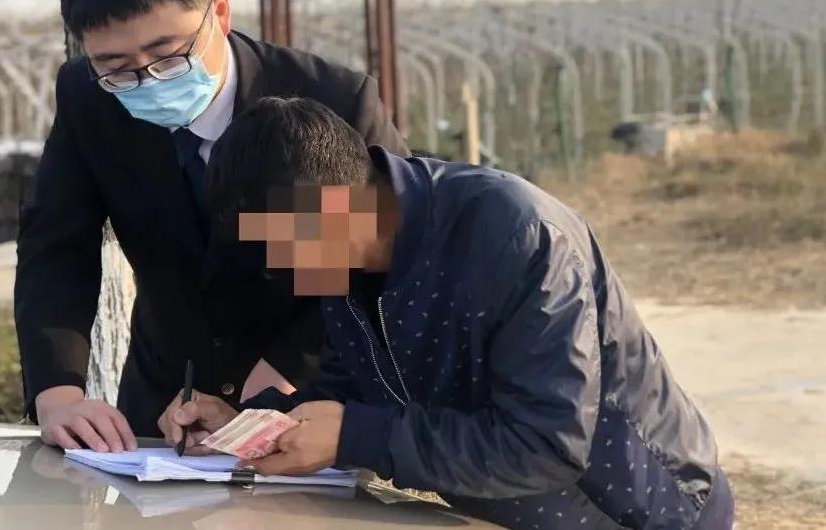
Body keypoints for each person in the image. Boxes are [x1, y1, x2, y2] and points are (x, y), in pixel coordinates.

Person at [167, 97, 734, 530]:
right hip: (510, 515)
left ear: (331, 206)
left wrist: (356, 438)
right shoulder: (344, 256)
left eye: (276, 245)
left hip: (641, 509)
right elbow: (355, 387)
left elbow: (546, 444)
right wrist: (250, 426)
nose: (273, 267)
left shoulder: (515, 236)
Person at [14, 0, 407, 451]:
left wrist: (290, 367)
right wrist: (57, 393)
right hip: (165, 400)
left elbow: (380, 257)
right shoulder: (89, 100)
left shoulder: (332, 100)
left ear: (219, 12)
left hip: (308, 395)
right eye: (116, 66)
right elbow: (56, 247)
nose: (147, 79)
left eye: (168, 55)